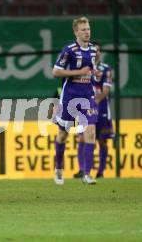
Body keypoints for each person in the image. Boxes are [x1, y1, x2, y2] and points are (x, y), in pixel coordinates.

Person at [52, 17, 98, 185]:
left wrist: (94, 73)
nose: (87, 32)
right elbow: (55, 72)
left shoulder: (94, 50)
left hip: (88, 94)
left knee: (90, 132)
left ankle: (87, 174)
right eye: (83, 29)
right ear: (76, 32)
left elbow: (92, 69)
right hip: (70, 96)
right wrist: (77, 72)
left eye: (88, 28)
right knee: (63, 135)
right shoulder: (69, 50)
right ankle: (58, 168)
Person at [73, 44, 114, 179]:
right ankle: (82, 170)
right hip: (85, 107)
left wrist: (94, 102)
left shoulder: (106, 69)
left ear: (100, 52)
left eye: (98, 50)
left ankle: (101, 172)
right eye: (93, 50)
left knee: (102, 140)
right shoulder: (83, 68)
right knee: (82, 138)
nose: (96, 52)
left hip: (101, 108)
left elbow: (106, 91)